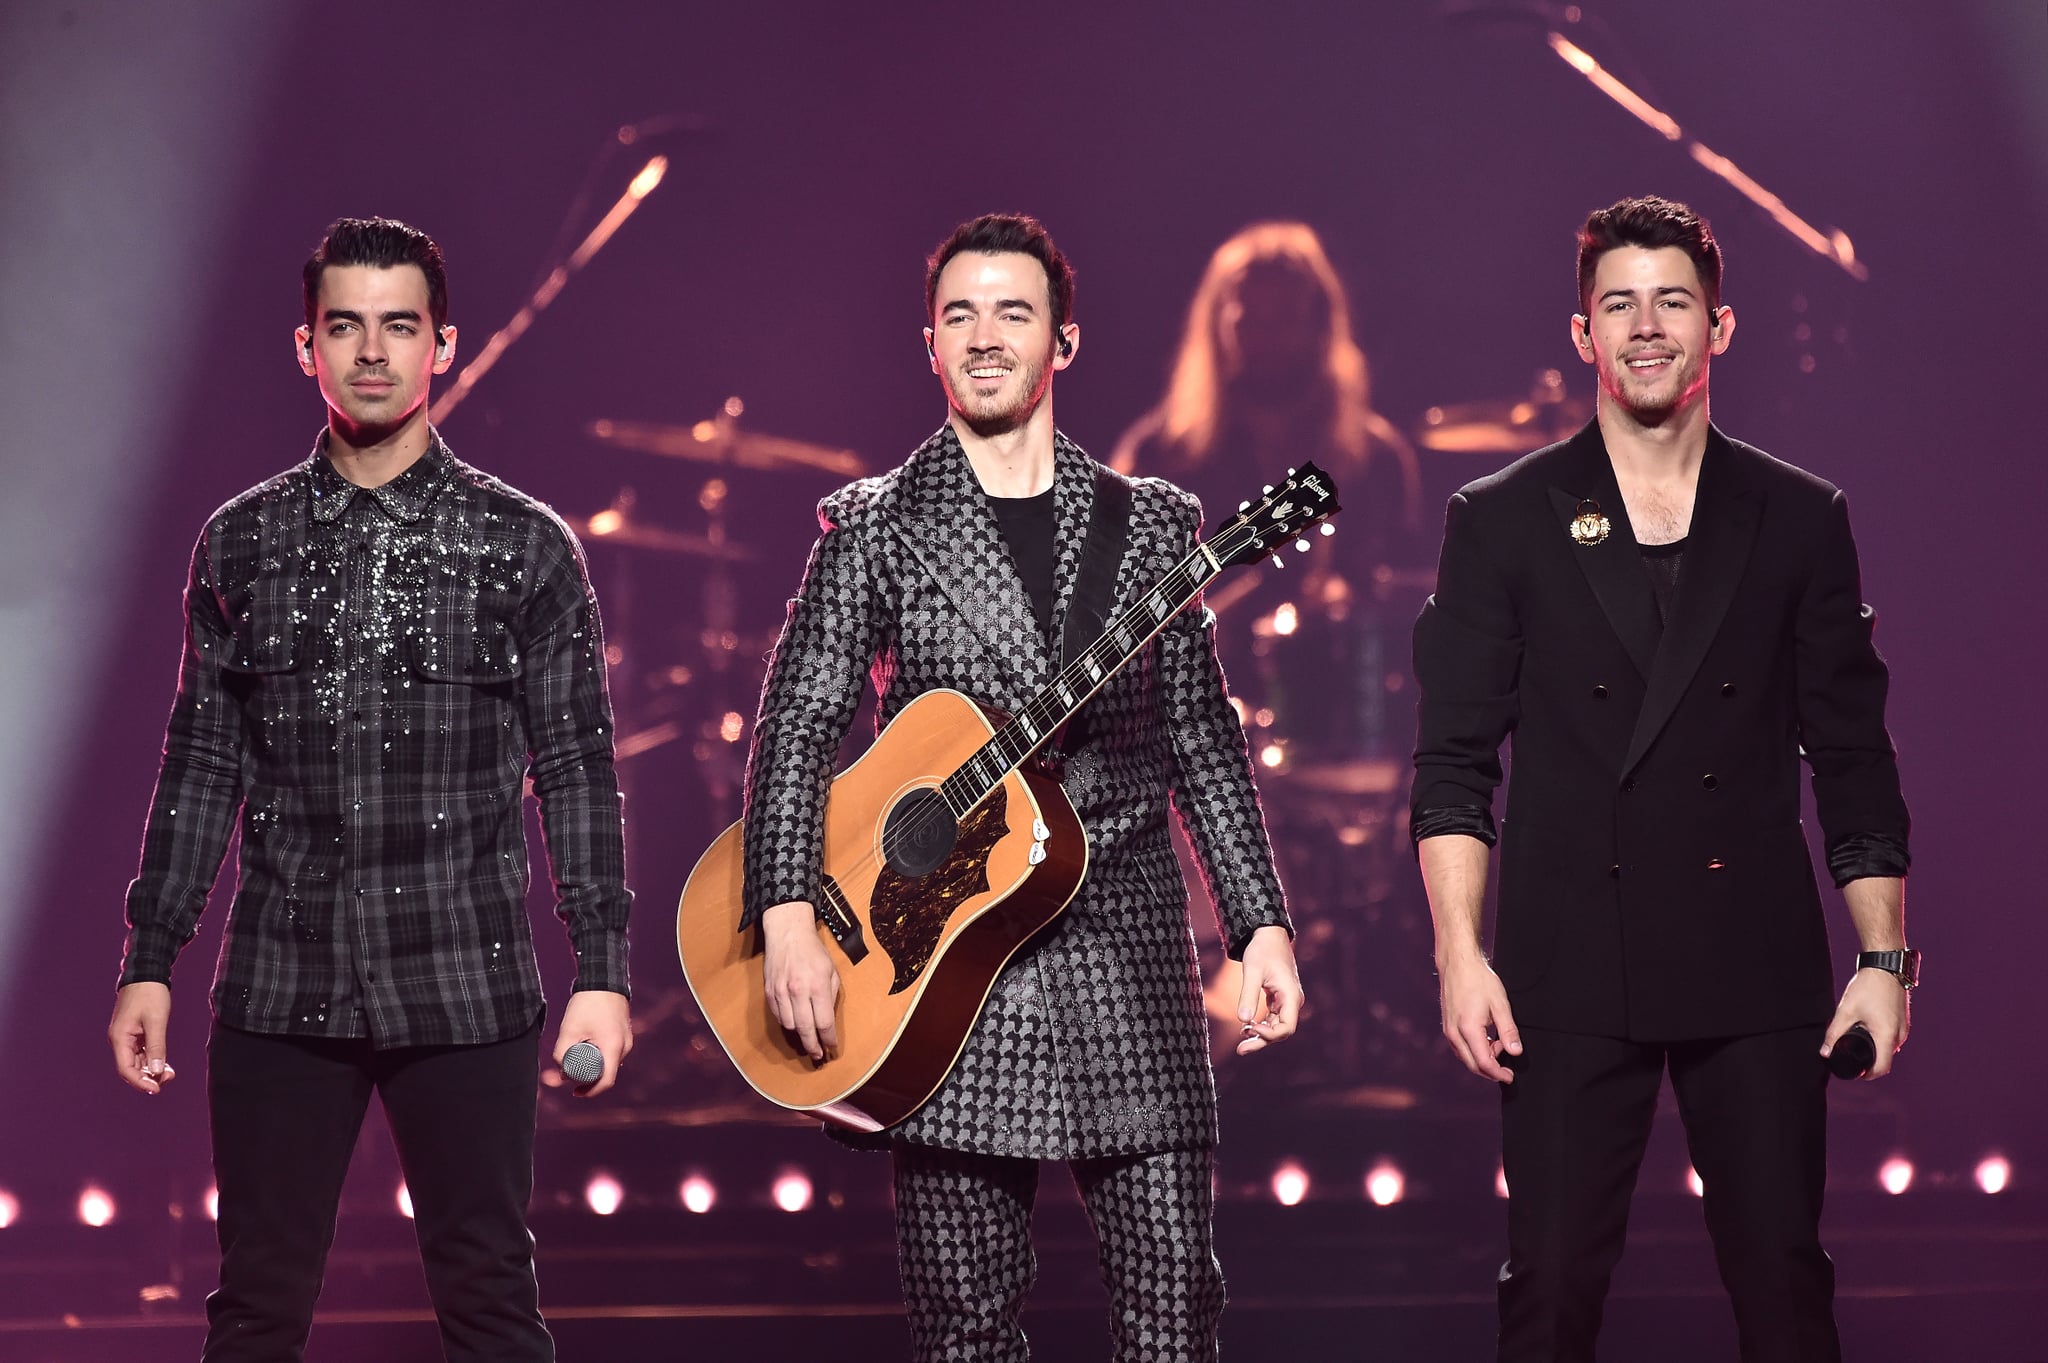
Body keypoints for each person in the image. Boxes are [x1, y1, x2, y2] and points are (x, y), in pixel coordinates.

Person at [740, 212, 1304, 1361]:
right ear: (930, 344)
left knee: (1171, 1324)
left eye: (1013, 312)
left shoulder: (1150, 524)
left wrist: (1259, 924)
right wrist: (787, 911)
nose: (985, 336)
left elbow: (1200, 733)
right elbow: (796, 725)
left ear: (1064, 342)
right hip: (937, 967)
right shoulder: (875, 526)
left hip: (1129, 958)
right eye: (960, 314)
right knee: (963, 1333)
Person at [107, 217, 633, 1363]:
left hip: (465, 978)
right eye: (345, 326)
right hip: (280, 984)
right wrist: (152, 955)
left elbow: (578, 764)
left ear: (443, 344)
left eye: (399, 326)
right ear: (306, 347)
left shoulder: (523, 547)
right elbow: (202, 759)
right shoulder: (240, 544)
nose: (373, 352)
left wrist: (603, 969)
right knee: (254, 1309)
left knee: (490, 1299)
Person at [1410, 194, 1914, 1363]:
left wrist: (1884, 963)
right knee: (1545, 1293)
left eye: (1670, 302)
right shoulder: (1499, 520)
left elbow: (1851, 756)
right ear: (1579, 332)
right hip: (1565, 964)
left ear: (1718, 328)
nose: (1645, 327)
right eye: (1617, 303)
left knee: (1786, 1289)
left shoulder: (1797, 517)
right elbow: (1451, 765)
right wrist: (1458, 954)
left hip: (1752, 959)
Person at [1111, 220, 1422, 565]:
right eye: (1249, 319)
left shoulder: (1378, 459)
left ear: (1320, 327)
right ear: (1217, 327)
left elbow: (1402, 594)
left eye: (1285, 318)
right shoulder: (1158, 456)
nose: (1267, 337)